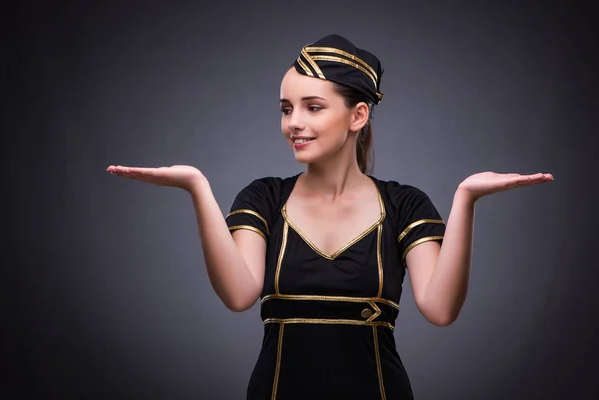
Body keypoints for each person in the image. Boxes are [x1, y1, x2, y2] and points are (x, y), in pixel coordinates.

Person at [107, 34, 553, 399]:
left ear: (358, 115)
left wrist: (466, 199)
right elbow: (240, 294)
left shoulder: (404, 205)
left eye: (312, 107)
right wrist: (196, 187)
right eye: (286, 108)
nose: (293, 123)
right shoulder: (263, 197)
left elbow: (440, 310)